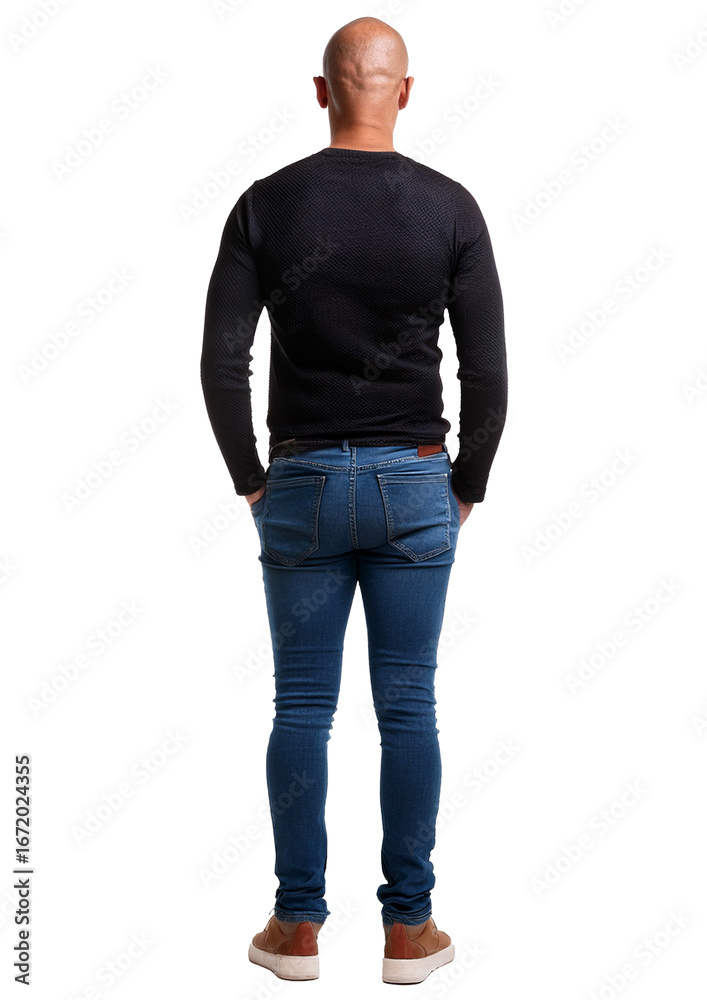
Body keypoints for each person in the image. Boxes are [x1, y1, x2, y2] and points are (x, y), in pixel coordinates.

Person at [200, 15, 508, 986]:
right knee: (408, 705)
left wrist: (252, 479)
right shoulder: (450, 208)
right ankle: (408, 931)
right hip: (415, 483)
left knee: (301, 704)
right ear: (403, 92)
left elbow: (222, 361)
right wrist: (464, 487)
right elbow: (487, 373)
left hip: (298, 484)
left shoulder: (264, 205)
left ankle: (296, 927)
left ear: (321, 90)